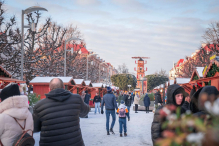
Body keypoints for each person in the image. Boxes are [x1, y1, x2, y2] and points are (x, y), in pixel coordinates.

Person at [33, 78, 90, 146]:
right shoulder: (76, 98)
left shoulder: (39, 105)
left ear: (49, 89)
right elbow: (85, 112)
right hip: (74, 143)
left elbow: (35, 128)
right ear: (63, 87)